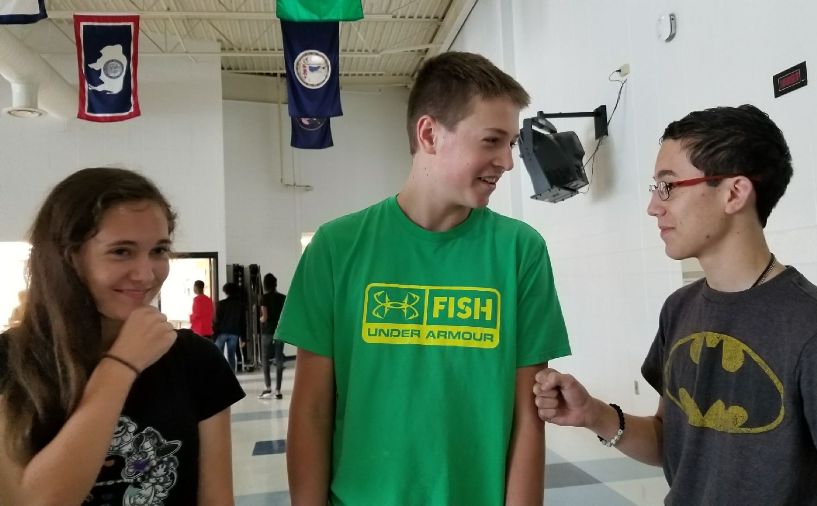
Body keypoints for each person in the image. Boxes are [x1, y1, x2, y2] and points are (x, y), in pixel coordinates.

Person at [534, 105, 817, 505]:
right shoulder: (679, 310)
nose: (654, 206)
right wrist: (594, 414)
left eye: (668, 186)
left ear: (734, 193)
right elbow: (674, 446)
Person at [277, 51, 571, 505]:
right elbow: (312, 410)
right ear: (430, 133)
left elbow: (526, 417)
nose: (508, 162)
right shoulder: (337, 248)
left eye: (510, 143)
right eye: (492, 141)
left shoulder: (520, 251)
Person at [0, 167, 245, 505]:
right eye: (121, 251)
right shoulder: (10, 361)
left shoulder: (196, 360)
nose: (146, 274)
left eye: (159, 250)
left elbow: (216, 498)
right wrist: (121, 365)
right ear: (69, 257)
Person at [259, 273, 287, 399]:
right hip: (280, 332)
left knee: (265, 360)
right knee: (279, 359)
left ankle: (268, 388)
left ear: (265, 285)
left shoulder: (264, 298)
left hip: (268, 332)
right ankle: (278, 390)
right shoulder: (282, 297)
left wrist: (260, 319)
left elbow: (265, 317)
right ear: (275, 284)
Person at [213, 282, 244, 374]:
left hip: (221, 333)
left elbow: (217, 320)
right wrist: (244, 338)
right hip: (234, 333)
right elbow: (242, 322)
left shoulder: (221, 304)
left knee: (219, 355)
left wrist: (214, 334)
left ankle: (220, 375)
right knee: (231, 355)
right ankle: (232, 376)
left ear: (226, 291)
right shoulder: (240, 305)